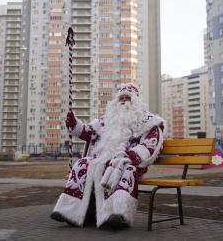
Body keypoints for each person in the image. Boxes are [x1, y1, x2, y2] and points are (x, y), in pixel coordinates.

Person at [51, 83, 164, 229]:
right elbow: (88, 132)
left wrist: (129, 155)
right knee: (82, 163)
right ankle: (70, 212)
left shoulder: (148, 120)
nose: (123, 100)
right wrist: (74, 124)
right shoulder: (107, 120)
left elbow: (151, 143)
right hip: (102, 159)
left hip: (129, 162)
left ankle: (118, 214)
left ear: (136, 101)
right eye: (121, 97)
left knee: (124, 168)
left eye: (127, 98)